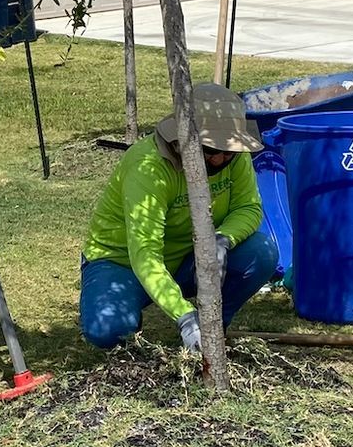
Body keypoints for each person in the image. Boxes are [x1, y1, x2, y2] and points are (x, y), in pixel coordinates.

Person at [80, 83, 280, 352]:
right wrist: (184, 316)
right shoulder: (147, 168)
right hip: (121, 262)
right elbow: (145, 253)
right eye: (210, 150)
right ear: (183, 138)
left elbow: (249, 208)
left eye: (228, 151)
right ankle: (150, 317)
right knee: (107, 330)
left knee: (261, 252)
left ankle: (212, 327)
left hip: (188, 257)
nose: (221, 159)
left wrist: (222, 241)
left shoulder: (233, 155)